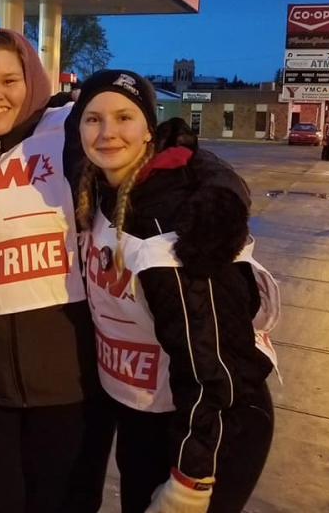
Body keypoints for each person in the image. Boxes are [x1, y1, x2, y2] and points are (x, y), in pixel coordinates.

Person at [72, 69, 277, 513]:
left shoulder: (174, 225)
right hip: (145, 413)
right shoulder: (101, 191)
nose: (108, 132)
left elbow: (214, 368)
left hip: (211, 424)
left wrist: (191, 480)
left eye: (124, 117)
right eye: (93, 119)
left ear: (150, 128)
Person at [0, 28, 111, 513]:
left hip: (71, 388)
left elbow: (148, 148)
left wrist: (216, 198)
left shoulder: (69, 135)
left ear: (32, 81)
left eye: (9, 80)